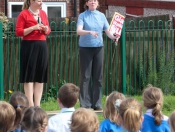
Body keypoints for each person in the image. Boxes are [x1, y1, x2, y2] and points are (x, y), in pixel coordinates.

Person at [76, 0, 117, 110]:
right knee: (86, 76)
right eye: (91, 0)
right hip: (85, 48)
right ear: (87, 3)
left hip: (98, 48)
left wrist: (113, 37)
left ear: (97, 3)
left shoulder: (101, 16)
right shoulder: (82, 16)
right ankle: (85, 104)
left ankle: (97, 104)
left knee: (98, 77)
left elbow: (107, 31)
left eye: (95, 0)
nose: (93, 2)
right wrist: (89, 32)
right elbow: (79, 31)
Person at [15, 0, 51, 106]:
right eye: (39, 0)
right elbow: (18, 32)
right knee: (29, 75)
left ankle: (37, 104)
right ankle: (30, 104)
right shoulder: (24, 14)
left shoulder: (43, 13)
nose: (41, 2)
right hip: (29, 46)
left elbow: (48, 30)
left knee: (40, 74)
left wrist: (45, 29)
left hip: (42, 45)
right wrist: (33, 28)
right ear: (31, 1)